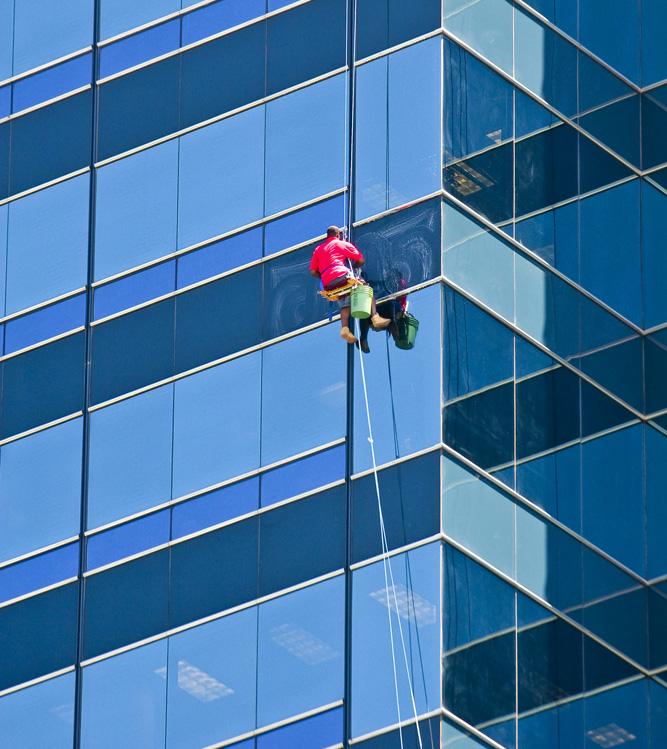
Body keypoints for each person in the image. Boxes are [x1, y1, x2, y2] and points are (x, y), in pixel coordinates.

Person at [310, 226, 390, 344]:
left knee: (345, 304)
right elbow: (361, 260)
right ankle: (375, 317)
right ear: (338, 235)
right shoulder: (342, 244)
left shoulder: (318, 249)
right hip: (342, 275)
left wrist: (324, 276)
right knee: (368, 290)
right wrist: (354, 267)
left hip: (328, 284)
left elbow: (313, 271)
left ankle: (344, 328)